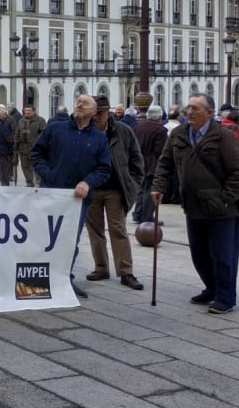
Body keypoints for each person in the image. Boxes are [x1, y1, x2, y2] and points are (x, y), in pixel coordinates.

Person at [152, 93, 239, 314]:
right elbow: (164, 163)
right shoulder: (178, 134)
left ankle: (225, 297)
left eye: (195, 108)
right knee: (199, 253)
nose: (190, 112)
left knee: (223, 255)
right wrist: (158, 187)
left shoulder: (223, 137)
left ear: (209, 112)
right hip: (193, 205)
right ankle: (211, 288)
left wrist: (225, 199)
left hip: (221, 209)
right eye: (188, 108)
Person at [30, 94, 111, 298]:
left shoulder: (99, 138)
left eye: (85, 102)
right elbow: (36, 154)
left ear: (94, 112)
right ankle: (36, 283)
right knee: (43, 238)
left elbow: (104, 168)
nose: (79, 103)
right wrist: (49, 175)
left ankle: (65, 280)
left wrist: (88, 182)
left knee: (70, 241)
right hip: (51, 195)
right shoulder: (55, 129)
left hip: (77, 200)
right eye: (78, 101)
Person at [84, 96, 145, 290]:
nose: (95, 117)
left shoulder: (123, 131)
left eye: (99, 113)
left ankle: (126, 272)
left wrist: (133, 184)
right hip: (91, 189)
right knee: (95, 231)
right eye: (93, 113)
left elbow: (137, 160)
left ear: (108, 113)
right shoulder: (84, 131)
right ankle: (101, 267)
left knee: (118, 230)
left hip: (114, 189)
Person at [132, 105, 168, 224]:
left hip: (139, 163)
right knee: (150, 190)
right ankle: (147, 216)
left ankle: (138, 214)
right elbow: (160, 151)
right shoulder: (160, 130)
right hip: (152, 164)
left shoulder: (138, 127)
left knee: (141, 190)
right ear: (159, 117)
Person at [13, 105, 46, 187]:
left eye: (29, 110)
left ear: (33, 111)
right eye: (26, 111)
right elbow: (17, 133)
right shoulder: (21, 121)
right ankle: (29, 182)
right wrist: (15, 146)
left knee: (37, 167)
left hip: (36, 149)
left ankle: (39, 182)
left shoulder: (40, 120)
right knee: (25, 167)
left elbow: (45, 134)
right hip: (23, 148)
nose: (27, 112)